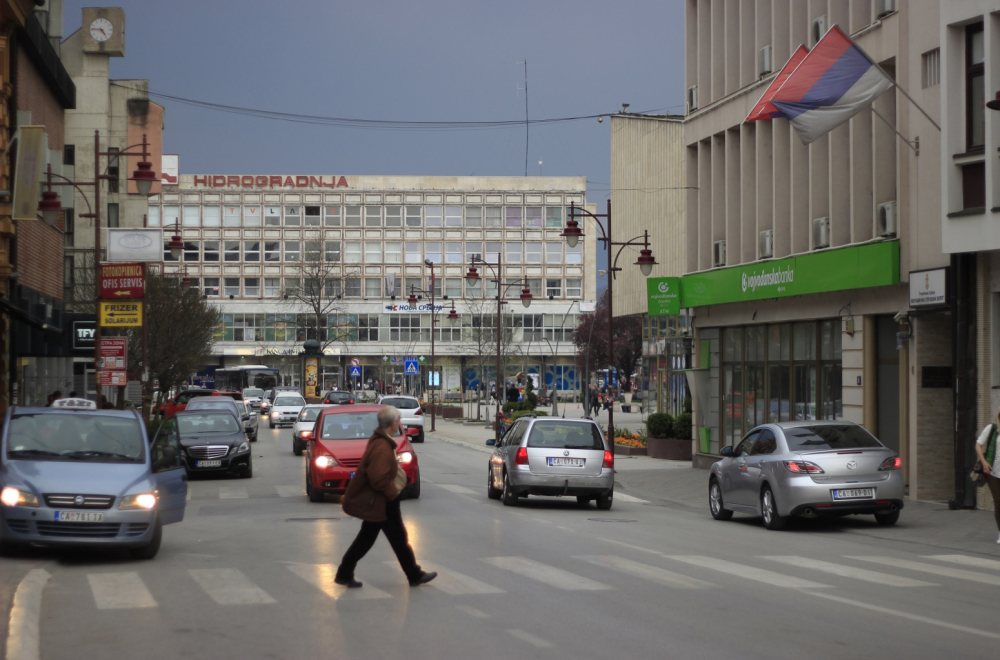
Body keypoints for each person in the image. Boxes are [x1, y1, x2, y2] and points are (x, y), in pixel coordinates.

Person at [336, 406, 437, 588]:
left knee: (373, 538)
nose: (399, 422)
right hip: (383, 500)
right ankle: (413, 574)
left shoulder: (381, 441)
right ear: (392, 424)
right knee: (396, 538)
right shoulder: (382, 446)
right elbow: (378, 478)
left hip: (380, 500)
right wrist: (393, 493)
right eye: (398, 419)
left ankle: (345, 572)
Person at [975, 408, 1000, 543]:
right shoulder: (992, 429)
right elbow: (978, 444)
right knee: (998, 502)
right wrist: (984, 462)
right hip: (994, 472)